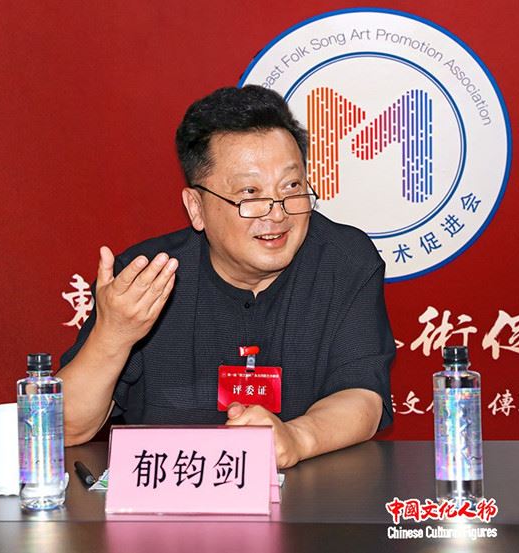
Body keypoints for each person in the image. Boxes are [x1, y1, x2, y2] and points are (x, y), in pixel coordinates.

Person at [59, 85, 396, 468]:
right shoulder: (145, 279)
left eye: (292, 187)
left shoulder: (344, 261)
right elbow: (68, 428)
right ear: (196, 207)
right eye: (250, 192)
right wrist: (114, 335)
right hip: (170, 498)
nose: (277, 213)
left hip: (308, 499)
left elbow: (362, 397)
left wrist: (297, 438)